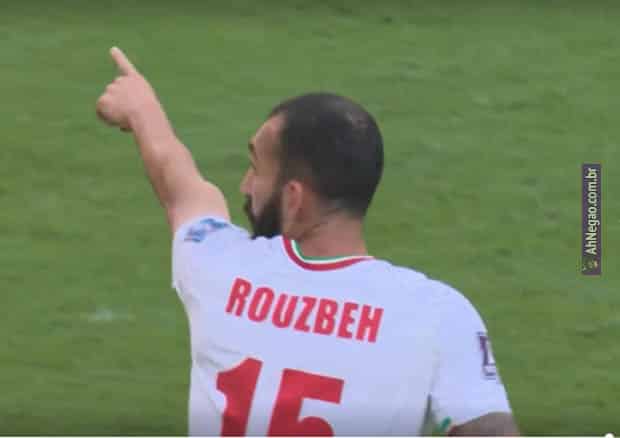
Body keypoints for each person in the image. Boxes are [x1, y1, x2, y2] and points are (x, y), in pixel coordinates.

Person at [96, 47, 519, 436]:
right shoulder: (438, 315)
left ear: (294, 198)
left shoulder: (219, 268)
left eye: (256, 168)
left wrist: (141, 109)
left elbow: (180, 186)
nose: (245, 185)